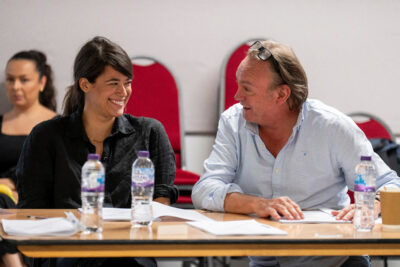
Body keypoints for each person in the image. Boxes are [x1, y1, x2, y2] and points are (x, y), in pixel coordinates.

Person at [192, 39, 400, 267]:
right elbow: (205, 189)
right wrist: (257, 204)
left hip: (337, 261)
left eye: (247, 89)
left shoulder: (332, 126)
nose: (237, 96)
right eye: (238, 85)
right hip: (266, 263)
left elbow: (391, 184)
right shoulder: (233, 123)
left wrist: (374, 203)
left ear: (281, 95)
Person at [16, 36, 178, 266]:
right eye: (113, 83)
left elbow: (160, 206)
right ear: (85, 84)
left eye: (127, 82)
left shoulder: (150, 133)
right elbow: (31, 211)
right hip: (68, 253)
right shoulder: (46, 136)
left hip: (130, 256)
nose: (123, 91)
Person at [0, 50, 57, 267]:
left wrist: (14, 182)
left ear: (42, 82)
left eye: (24, 80)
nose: (15, 87)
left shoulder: (57, 125)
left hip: (35, 204)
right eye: (10, 80)